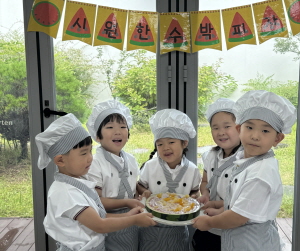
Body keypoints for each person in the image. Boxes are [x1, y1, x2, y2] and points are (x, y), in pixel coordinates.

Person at [193, 90, 297, 251]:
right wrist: (219, 206)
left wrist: (209, 223)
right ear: (240, 128)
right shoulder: (247, 162)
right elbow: (241, 203)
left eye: (265, 130)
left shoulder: (261, 173)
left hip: (252, 244)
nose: (255, 136)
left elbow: (239, 216)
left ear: (277, 139)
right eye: (249, 127)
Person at [35, 113, 156, 251]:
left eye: (90, 152)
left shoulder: (77, 183)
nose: (90, 158)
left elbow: (99, 215)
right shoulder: (65, 192)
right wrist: (134, 220)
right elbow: (100, 225)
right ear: (60, 160)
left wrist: (128, 215)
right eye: (83, 153)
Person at [137, 108, 202, 251]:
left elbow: (195, 192)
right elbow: (139, 186)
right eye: (160, 144)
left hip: (178, 231)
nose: (165, 148)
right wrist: (145, 191)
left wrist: (194, 197)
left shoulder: (192, 170)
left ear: (184, 143)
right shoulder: (150, 166)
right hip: (151, 227)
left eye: (171, 142)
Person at [85, 100, 144, 251]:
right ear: (97, 136)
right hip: (109, 220)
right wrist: (127, 203)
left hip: (132, 222)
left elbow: (132, 183)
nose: (117, 131)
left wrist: (141, 192)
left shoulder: (130, 159)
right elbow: (97, 202)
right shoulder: (95, 162)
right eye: (110, 127)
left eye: (123, 127)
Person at [192, 98, 241, 251]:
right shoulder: (210, 156)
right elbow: (205, 180)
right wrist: (205, 193)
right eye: (215, 128)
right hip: (209, 222)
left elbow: (241, 200)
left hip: (233, 225)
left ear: (240, 128)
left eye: (227, 126)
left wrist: (217, 205)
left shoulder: (245, 160)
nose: (221, 132)